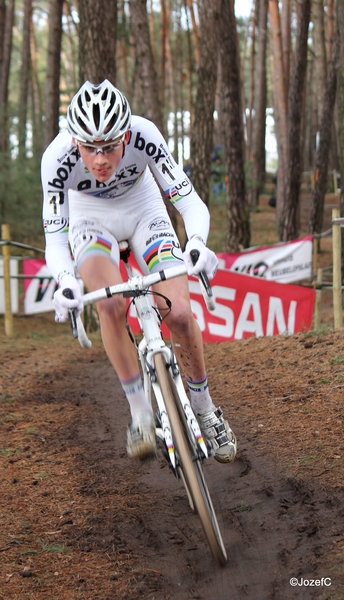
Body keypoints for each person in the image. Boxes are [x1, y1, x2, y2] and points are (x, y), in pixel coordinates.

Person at [41, 80, 236, 463]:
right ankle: (140, 414)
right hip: (89, 218)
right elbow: (55, 238)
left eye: (111, 146)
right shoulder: (55, 160)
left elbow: (189, 201)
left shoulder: (145, 135)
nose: (100, 160)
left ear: (126, 135)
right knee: (110, 306)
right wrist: (66, 282)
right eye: (89, 149)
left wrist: (195, 241)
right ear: (73, 141)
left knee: (178, 312)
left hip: (144, 209)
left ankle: (205, 407)